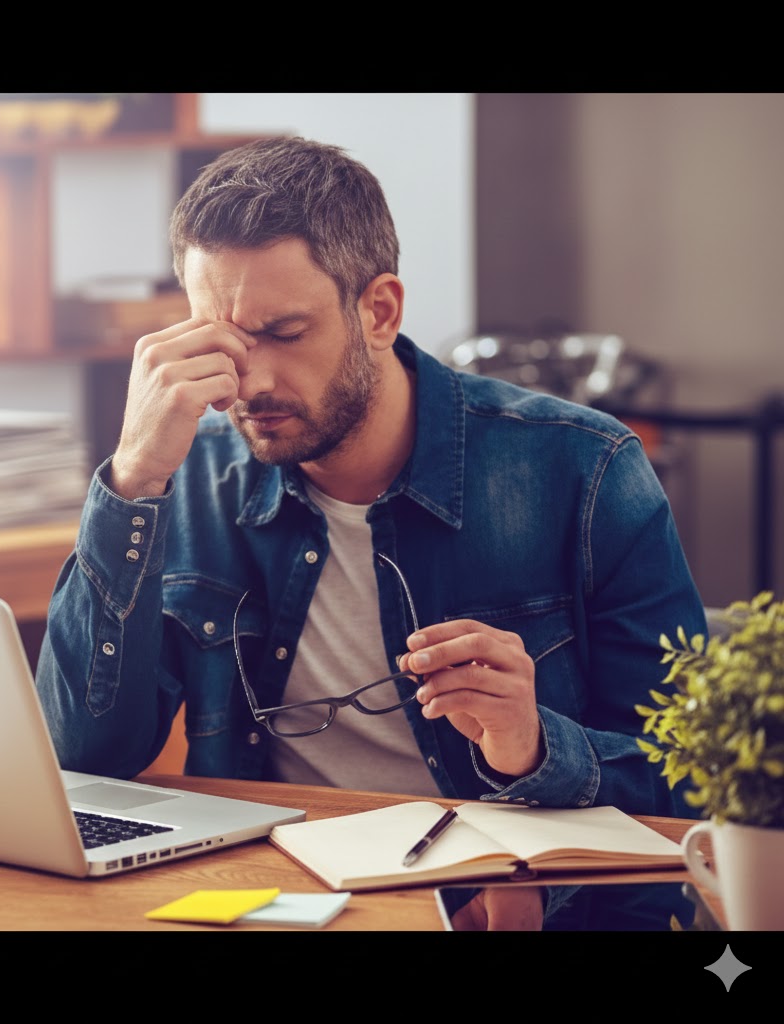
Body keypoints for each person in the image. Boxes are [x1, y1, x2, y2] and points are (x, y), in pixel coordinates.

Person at [35, 135, 707, 819]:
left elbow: (689, 781)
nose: (252, 380)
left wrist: (534, 748)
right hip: (270, 889)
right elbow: (85, 757)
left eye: (286, 332)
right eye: (224, 339)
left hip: (508, 899)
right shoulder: (188, 472)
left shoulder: (586, 470)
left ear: (380, 311)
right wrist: (133, 479)